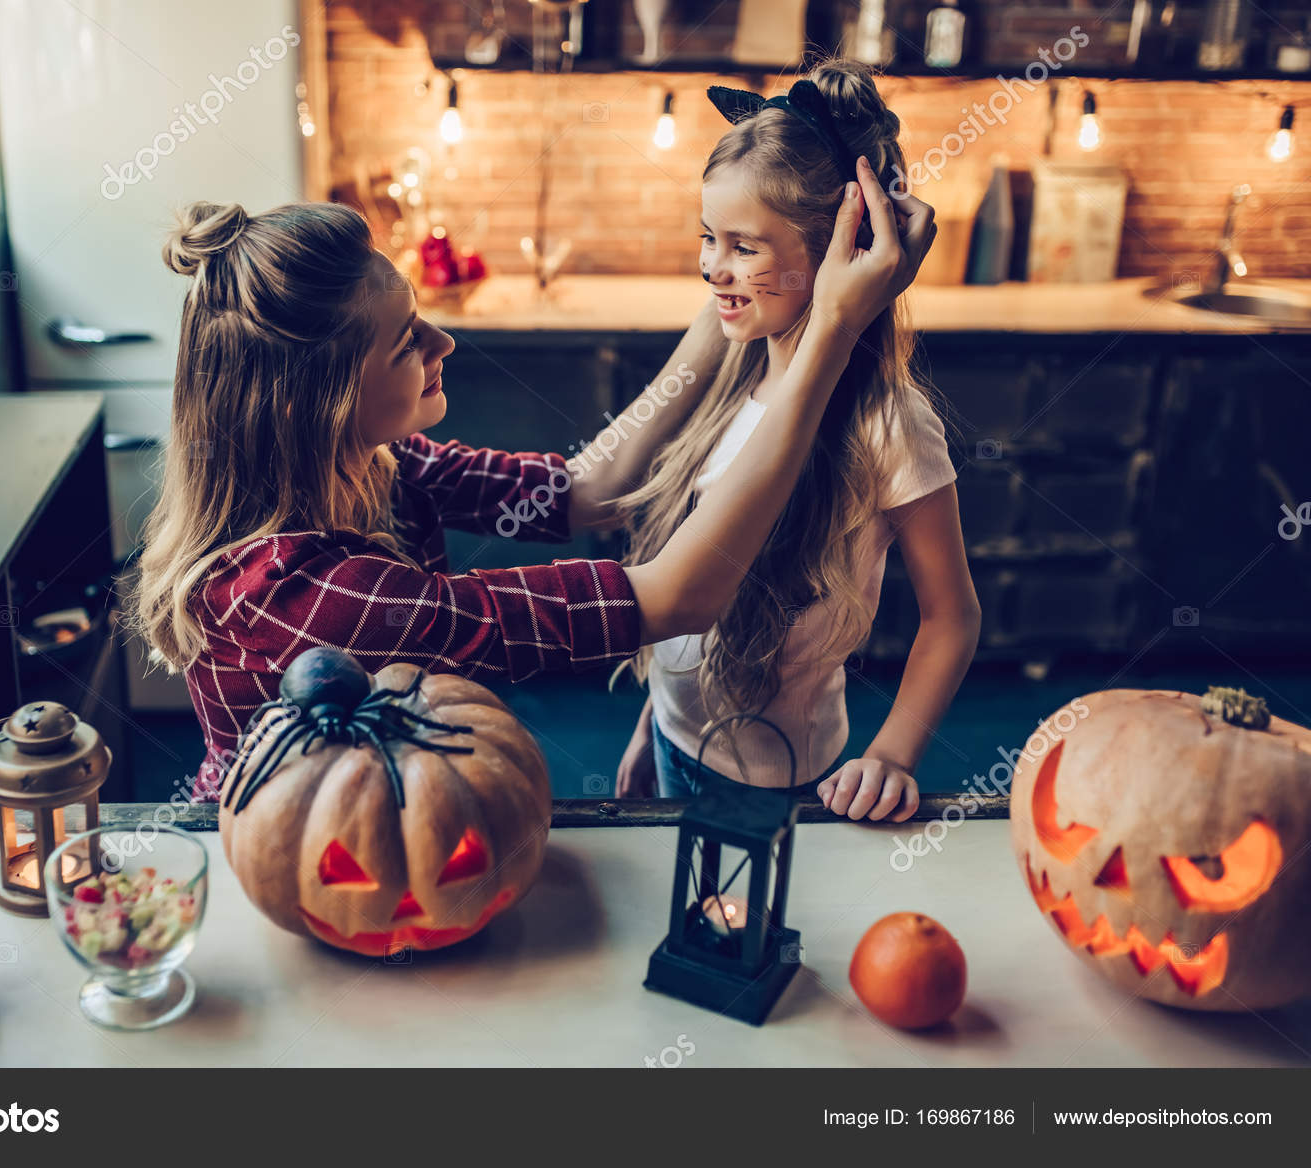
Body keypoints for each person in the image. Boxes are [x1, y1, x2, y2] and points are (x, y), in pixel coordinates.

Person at [131, 146, 932, 801]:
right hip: (301, 846)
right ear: (325, 402)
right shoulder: (314, 593)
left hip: (385, 791)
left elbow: (588, 487)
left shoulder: (372, 464)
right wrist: (829, 326)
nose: (444, 346)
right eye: (408, 340)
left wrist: (736, 286)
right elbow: (680, 596)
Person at [612, 60, 981, 823]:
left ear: (840, 256)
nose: (714, 267)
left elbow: (953, 617)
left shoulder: (891, 425)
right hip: (675, 736)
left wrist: (892, 754)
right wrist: (656, 721)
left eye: (745, 247)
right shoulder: (729, 367)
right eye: (709, 237)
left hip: (769, 777)